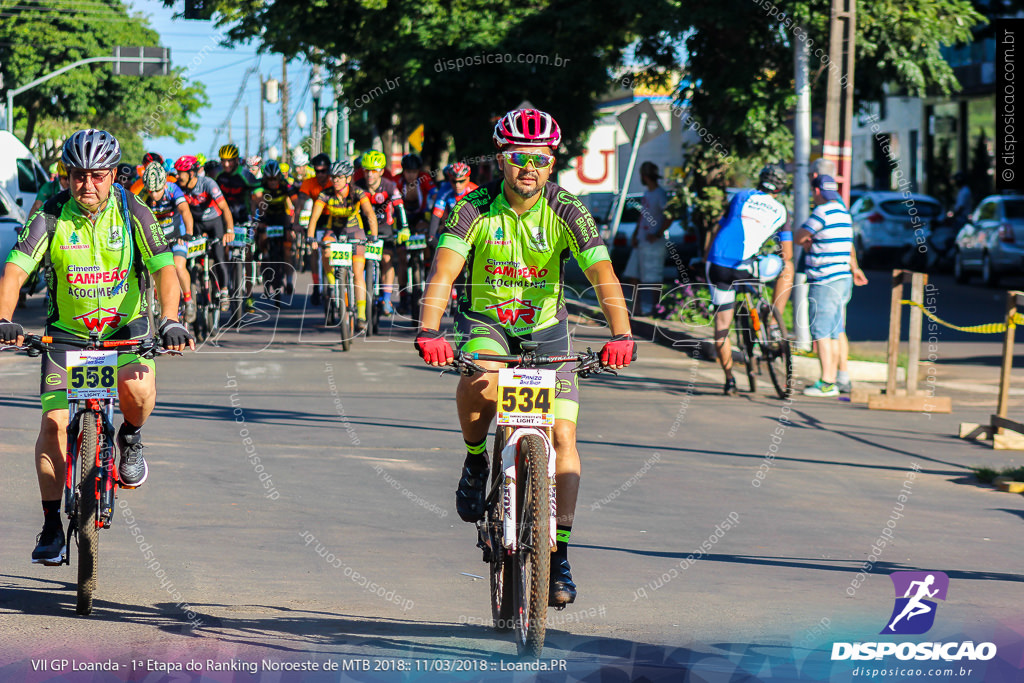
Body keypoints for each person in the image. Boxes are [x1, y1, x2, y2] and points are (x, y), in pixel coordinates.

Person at [415, 108, 636, 607]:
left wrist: (621, 333)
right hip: (486, 324)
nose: (528, 168)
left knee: (563, 436)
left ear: (551, 162)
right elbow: (443, 273)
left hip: (545, 331)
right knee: (483, 380)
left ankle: (558, 557)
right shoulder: (472, 207)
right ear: (502, 159)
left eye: (538, 159)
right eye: (518, 158)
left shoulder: (568, 209)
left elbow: (603, 275)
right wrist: (430, 330)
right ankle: (475, 462)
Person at [0, 128, 194, 564]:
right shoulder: (50, 213)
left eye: (98, 176)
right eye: (78, 176)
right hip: (67, 336)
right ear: (67, 176)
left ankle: (131, 437)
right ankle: (51, 525)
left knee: (138, 393)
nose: (88, 185)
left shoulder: (134, 210)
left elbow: (165, 270)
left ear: (113, 175)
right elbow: (14, 271)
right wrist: (4, 319)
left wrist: (171, 320)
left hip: (125, 331)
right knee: (52, 426)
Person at [706, 164, 794, 395]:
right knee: (787, 266)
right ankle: (770, 319)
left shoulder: (742, 195)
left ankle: (729, 380)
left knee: (722, 326)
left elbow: (723, 225)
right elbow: (787, 253)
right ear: (781, 189)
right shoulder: (782, 211)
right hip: (747, 267)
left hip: (719, 262)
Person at [796, 175, 867, 397]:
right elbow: (849, 246)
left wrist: (808, 242)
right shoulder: (843, 212)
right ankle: (842, 377)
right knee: (838, 330)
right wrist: (855, 268)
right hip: (843, 277)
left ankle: (827, 382)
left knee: (822, 332)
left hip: (825, 280)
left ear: (817, 191)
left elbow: (799, 236)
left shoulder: (821, 213)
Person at [305, 160, 378, 327]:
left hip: (355, 231)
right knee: (325, 250)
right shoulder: (326, 194)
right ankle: (332, 283)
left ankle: (361, 315)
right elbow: (314, 217)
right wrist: (310, 237)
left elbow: (370, 215)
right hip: (334, 231)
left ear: (348, 178)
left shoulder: (358, 192)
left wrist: (373, 236)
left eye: (339, 177)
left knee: (358, 273)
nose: (335, 180)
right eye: (333, 177)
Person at [137, 161, 196, 323]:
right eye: (151, 190)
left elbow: (184, 210)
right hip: (157, 238)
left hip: (177, 234)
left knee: (178, 265)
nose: (154, 194)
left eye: (157, 190)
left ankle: (188, 299)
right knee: (149, 270)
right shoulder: (144, 194)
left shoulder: (172, 189)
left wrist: (189, 233)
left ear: (164, 183)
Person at [175, 155, 235, 311]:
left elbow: (225, 208)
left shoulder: (208, 184)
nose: (177, 176)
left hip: (215, 222)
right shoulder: (178, 187)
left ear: (192, 173)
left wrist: (229, 230)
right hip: (197, 225)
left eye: (181, 172)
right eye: (177, 172)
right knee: (190, 260)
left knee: (219, 256)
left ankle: (224, 291)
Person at [355, 150, 407, 316]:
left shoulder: (390, 186)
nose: (370, 174)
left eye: (374, 170)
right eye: (367, 170)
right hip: (362, 227)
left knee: (387, 259)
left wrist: (404, 227)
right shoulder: (357, 186)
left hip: (384, 226)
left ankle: (386, 298)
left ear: (382, 171)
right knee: (358, 261)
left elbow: (399, 206)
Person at [623, 161, 670, 317]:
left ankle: (656, 308)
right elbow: (642, 216)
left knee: (653, 275)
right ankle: (637, 308)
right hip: (642, 240)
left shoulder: (660, 194)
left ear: (645, 175)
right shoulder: (647, 193)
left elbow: (669, 216)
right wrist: (636, 233)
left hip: (653, 243)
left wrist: (657, 233)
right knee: (633, 273)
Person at [251, 159, 295, 298]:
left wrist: (293, 223)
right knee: (262, 237)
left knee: (288, 245)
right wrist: (256, 221)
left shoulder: (284, 185)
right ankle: (265, 255)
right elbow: (255, 202)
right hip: (267, 217)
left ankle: (288, 280)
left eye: (275, 179)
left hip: (282, 216)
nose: (272, 182)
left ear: (279, 177)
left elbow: (294, 203)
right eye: (269, 179)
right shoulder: (261, 185)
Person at [297, 153, 334, 304]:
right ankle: (317, 285)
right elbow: (300, 203)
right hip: (318, 218)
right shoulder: (309, 183)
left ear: (329, 170)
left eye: (323, 171)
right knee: (314, 251)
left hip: (334, 217)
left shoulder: (335, 182)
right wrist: (296, 222)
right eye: (317, 171)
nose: (320, 174)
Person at [215, 144, 258, 225]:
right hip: (224, 218)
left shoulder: (246, 175)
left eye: (229, 160)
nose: (226, 164)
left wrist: (256, 217)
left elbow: (258, 196)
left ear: (236, 160)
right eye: (223, 160)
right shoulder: (218, 175)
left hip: (244, 218)